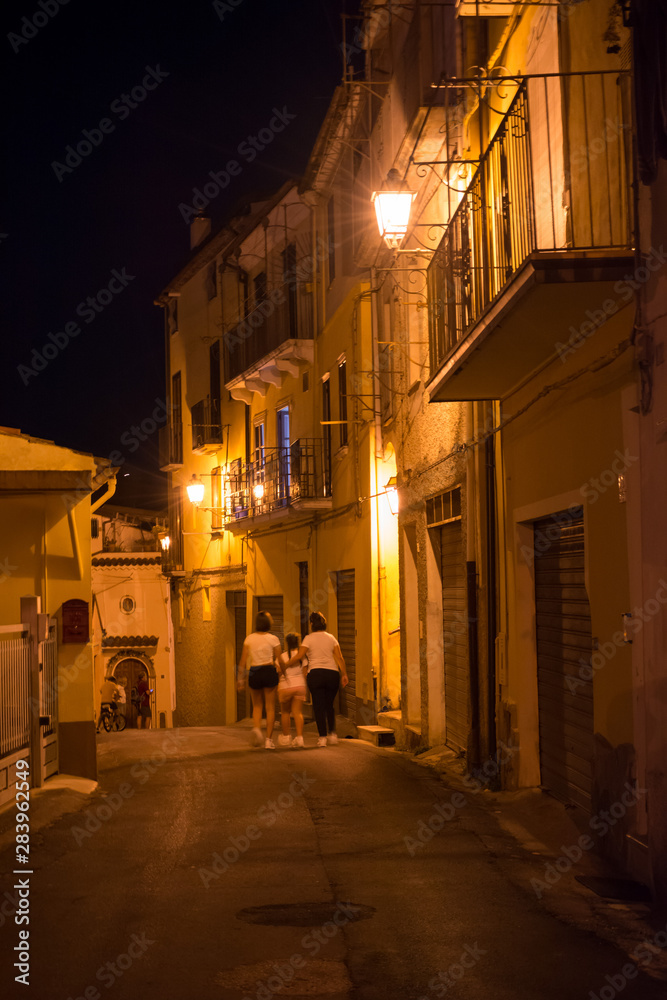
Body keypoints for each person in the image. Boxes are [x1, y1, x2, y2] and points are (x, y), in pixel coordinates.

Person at [286, 611, 348, 747]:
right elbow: (340, 657)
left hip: (316, 674)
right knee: (329, 705)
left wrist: (286, 664)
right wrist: (344, 674)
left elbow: (299, 655)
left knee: (319, 706)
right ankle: (332, 734)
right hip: (332, 674)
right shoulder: (331, 638)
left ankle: (322, 738)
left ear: (312, 624)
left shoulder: (308, 638)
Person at [237, 611, 282, 749]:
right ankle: (269, 740)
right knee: (270, 708)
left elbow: (243, 661)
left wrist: (240, 679)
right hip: (269, 671)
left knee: (256, 705)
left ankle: (257, 728)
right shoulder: (274, 639)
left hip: (254, 671)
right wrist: (285, 673)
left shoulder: (249, 639)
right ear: (268, 623)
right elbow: (279, 659)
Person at [277, 632, 307, 748]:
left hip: (285, 687)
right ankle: (299, 738)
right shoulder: (302, 656)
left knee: (285, 712)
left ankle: (286, 737)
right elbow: (305, 673)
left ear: (287, 643)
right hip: (299, 686)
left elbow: (279, 672)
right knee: (297, 712)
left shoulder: (283, 656)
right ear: (298, 643)